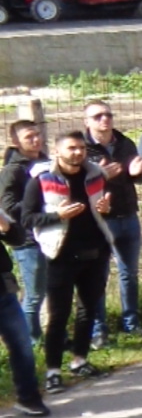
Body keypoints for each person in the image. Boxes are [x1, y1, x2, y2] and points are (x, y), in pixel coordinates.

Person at [23, 133, 115, 391]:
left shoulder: (95, 174)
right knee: (58, 315)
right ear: (57, 151)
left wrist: (106, 209)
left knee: (88, 310)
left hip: (95, 252)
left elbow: (105, 208)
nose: (77, 152)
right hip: (60, 255)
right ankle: (53, 371)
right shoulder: (42, 178)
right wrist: (58, 215)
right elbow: (27, 218)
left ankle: (79, 360)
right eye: (71, 148)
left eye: (81, 148)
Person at [81, 100, 142, 339]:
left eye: (108, 114)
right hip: (99, 221)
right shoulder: (81, 149)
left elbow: (135, 175)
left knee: (129, 273)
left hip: (127, 214)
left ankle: (131, 322)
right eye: (97, 116)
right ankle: (99, 329)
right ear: (86, 122)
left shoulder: (125, 143)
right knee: (98, 275)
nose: (104, 119)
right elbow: (73, 185)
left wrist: (137, 174)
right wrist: (100, 176)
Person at [0, 179, 48, 416]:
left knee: (22, 346)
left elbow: (18, 238)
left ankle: (28, 398)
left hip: (2, 291)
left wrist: (5, 226)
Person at [1, 121, 48, 341]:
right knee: (34, 295)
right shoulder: (13, 170)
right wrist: (38, 200)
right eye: (29, 136)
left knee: (51, 289)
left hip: (50, 234)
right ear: (15, 141)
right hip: (27, 239)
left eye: (38, 134)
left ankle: (55, 336)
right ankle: (31, 340)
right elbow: (8, 207)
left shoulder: (45, 162)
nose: (36, 140)